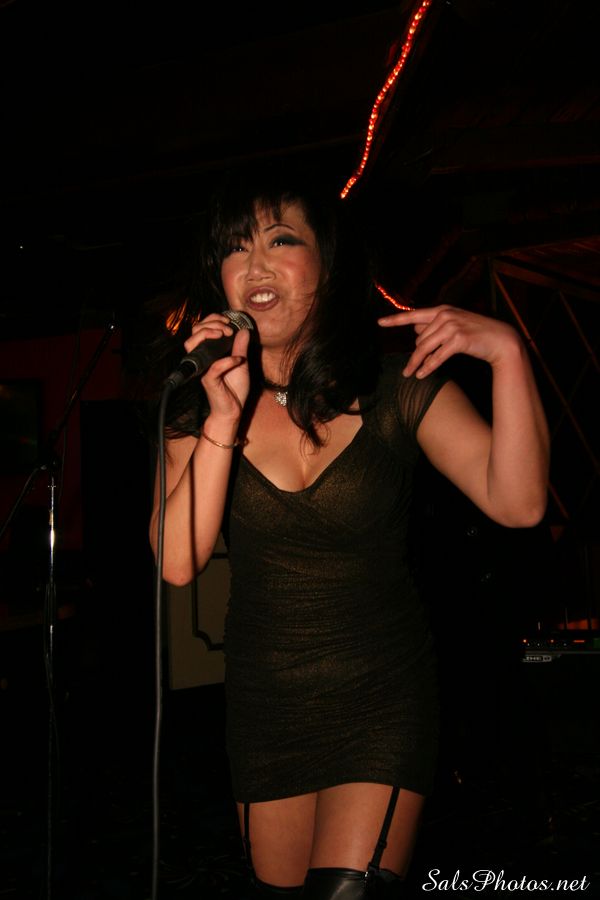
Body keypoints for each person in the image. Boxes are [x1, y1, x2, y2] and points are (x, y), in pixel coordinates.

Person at [147, 164, 550, 898]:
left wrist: (509, 353)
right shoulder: (199, 410)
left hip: (382, 700)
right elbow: (178, 563)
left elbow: (518, 503)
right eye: (235, 248)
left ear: (326, 266)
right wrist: (222, 420)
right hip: (267, 709)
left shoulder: (399, 388)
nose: (255, 264)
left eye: (279, 240)